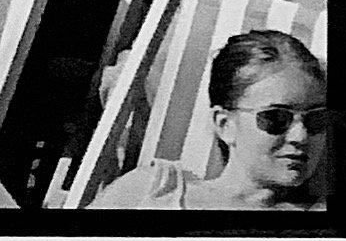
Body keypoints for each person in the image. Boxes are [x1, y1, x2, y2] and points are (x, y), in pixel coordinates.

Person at [92, 29, 330, 209]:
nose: (301, 136)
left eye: (316, 119)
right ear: (224, 124)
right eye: (276, 117)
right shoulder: (155, 187)